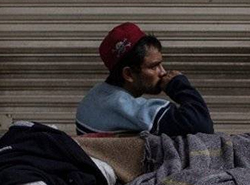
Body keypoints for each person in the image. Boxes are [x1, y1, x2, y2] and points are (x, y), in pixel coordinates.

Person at [75, 22, 214, 136]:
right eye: (154, 67)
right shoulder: (123, 105)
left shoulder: (94, 96)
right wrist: (178, 85)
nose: (163, 72)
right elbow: (201, 124)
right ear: (128, 74)